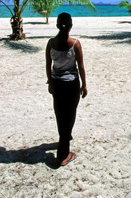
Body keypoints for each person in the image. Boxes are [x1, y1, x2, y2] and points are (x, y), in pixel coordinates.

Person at [45, 12, 88, 166]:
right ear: (71, 26)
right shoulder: (75, 43)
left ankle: (65, 139)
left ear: (57, 25)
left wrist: (50, 82)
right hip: (71, 85)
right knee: (69, 115)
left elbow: (48, 66)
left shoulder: (50, 43)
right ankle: (63, 154)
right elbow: (81, 67)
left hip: (57, 84)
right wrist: (84, 85)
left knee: (60, 114)